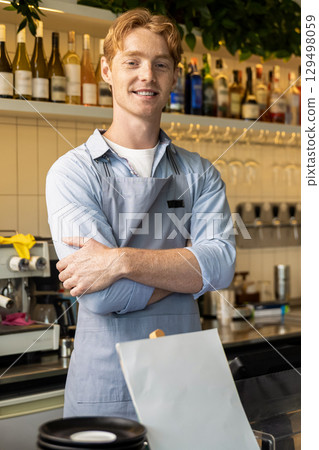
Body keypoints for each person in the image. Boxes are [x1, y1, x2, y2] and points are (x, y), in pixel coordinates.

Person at [46, 8, 236, 420]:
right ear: (106, 71)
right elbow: (102, 295)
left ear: (173, 77)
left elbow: (221, 266)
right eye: (132, 62)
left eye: (160, 64)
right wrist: (189, 270)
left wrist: (120, 260)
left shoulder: (200, 172)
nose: (146, 75)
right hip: (105, 390)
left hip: (185, 384)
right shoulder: (72, 172)